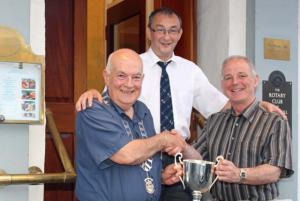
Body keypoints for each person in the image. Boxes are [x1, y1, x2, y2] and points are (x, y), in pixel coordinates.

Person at [75, 7, 285, 201]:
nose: (167, 37)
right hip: (135, 155)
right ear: (150, 32)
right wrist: (91, 92)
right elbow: (109, 99)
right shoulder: (132, 63)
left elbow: (223, 104)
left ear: (180, 34)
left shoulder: (191, 71)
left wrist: (259, 105)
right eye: (160, 30)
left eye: (173, 30)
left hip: (177, 160)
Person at [75, 48, 186, 201]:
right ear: (106, 77)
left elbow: (142, 159)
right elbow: (127, 154)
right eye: (121, 76)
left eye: (136, 77)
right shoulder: (93, 110)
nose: (129, 84)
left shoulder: (143, 111)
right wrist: (165, 139)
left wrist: (160, 177)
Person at [179, 55, 294, 201]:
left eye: (242, 75)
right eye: (228, 77)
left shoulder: (275, 122)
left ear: (256, 80)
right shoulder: (214, 121)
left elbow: (275, 171)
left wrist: (239, 174)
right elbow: (199, 159)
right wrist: (181, 146)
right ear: (222, 84)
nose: (234, 82)